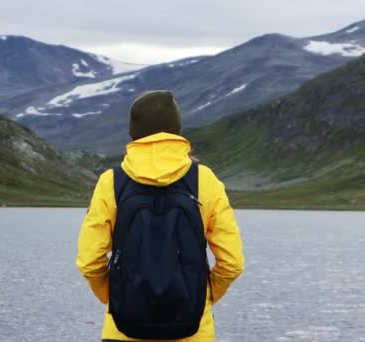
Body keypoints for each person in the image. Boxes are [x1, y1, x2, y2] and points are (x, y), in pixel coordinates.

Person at [76, 90, 244, 341]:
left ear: (134, 130)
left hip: (122, 329)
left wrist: (117, 298)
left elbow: (89, 262)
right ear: (176, 128)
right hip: (193, 329)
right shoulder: (205, 180)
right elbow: (232, 263)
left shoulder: (111, 182)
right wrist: (200, 299)